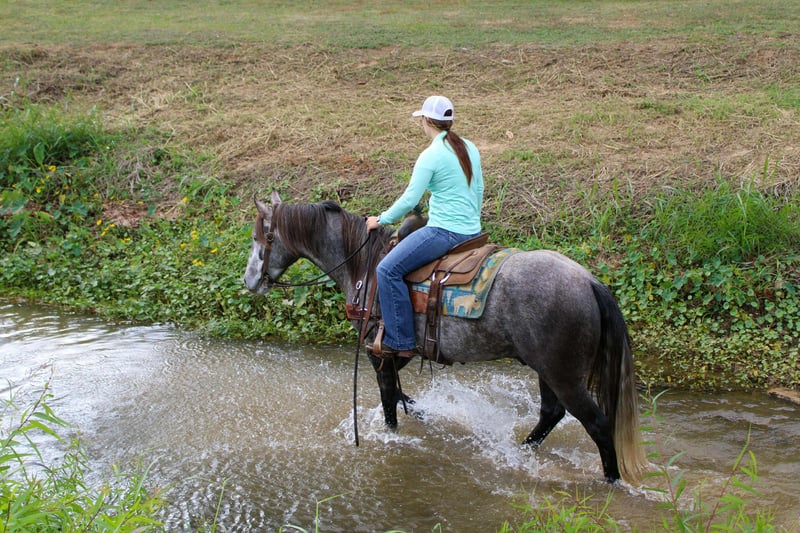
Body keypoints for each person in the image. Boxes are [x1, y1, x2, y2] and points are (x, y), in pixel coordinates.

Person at [366, 95, 484, 357]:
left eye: (421, 119)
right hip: (473, 232)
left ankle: (400, 341)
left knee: (387, 270)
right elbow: (478, 189)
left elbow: (410, 199)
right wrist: (471, 220)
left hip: (444, 232)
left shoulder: (431, 155)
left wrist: (381, 219)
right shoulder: (469, 147)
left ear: (427, 120)